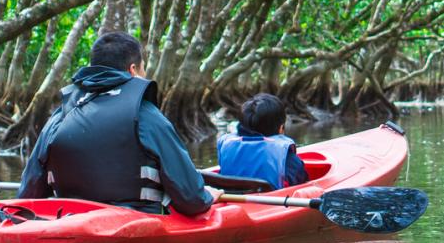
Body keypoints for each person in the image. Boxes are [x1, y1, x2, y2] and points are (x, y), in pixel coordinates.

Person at [17, 32, 215, 215]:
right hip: (136, 222)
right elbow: (192, 199)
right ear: (133, 70)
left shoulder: (61, 116)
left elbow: (28, 196)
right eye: (143, 68)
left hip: (68, 218)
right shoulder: (146, 115)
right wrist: (209, 196)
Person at [216, 93, 308, 191]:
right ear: (281, 128)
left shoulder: (227, 147)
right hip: (273, 203)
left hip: (230, 201)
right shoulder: (288, 159)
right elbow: (302, 182)